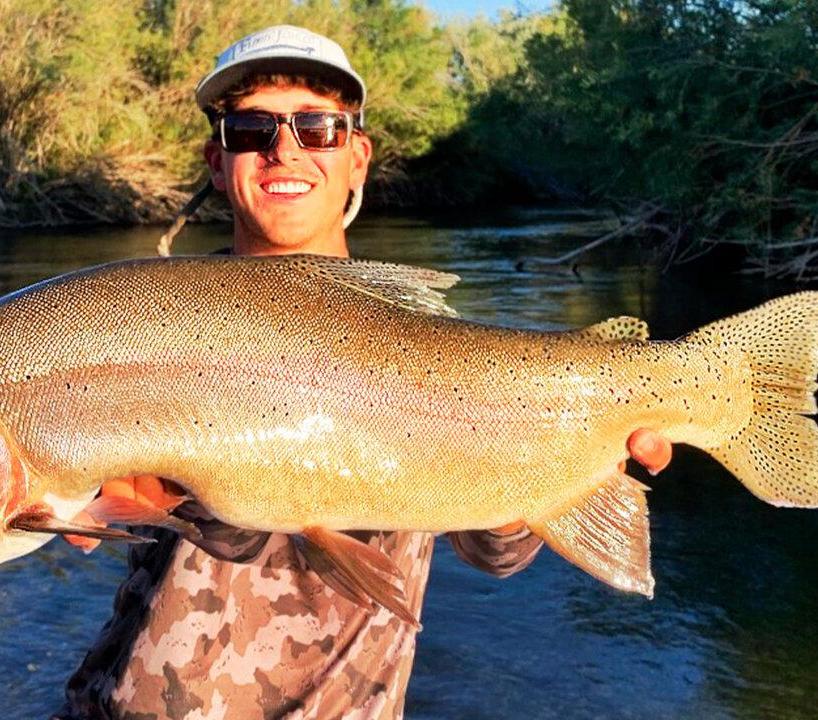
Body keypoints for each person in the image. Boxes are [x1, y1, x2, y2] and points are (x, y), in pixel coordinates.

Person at [54, 25, 671, 720]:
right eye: (252, 129)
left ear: (357, 158)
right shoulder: (145, 322)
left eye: (317, 127)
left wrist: (585, 452)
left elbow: (495, 553)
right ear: (217, 161)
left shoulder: (426, 341)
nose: (285, 149)